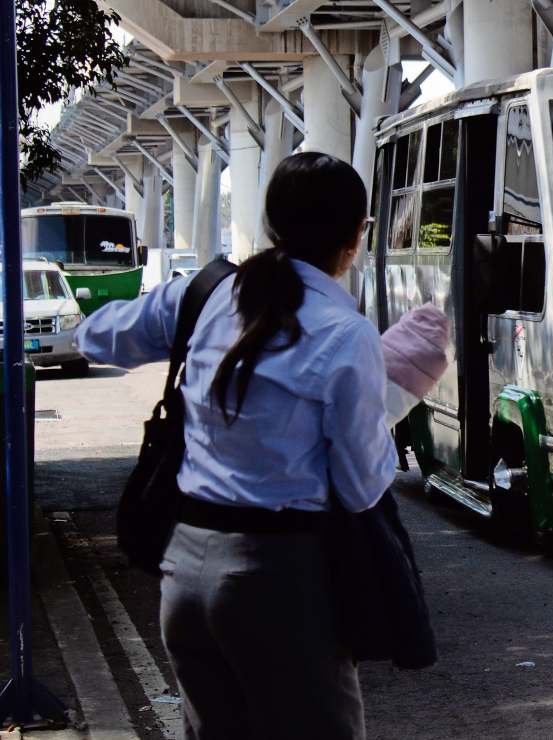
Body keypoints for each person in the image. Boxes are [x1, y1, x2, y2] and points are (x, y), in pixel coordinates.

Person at [74, 152, 448, 739]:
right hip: (278, 578)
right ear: (357, 235)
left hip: (185, 569)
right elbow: (359, 486)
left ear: (273, 225)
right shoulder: (344, 332)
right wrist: (390, 395)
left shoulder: (207, 295)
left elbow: (101, 335)